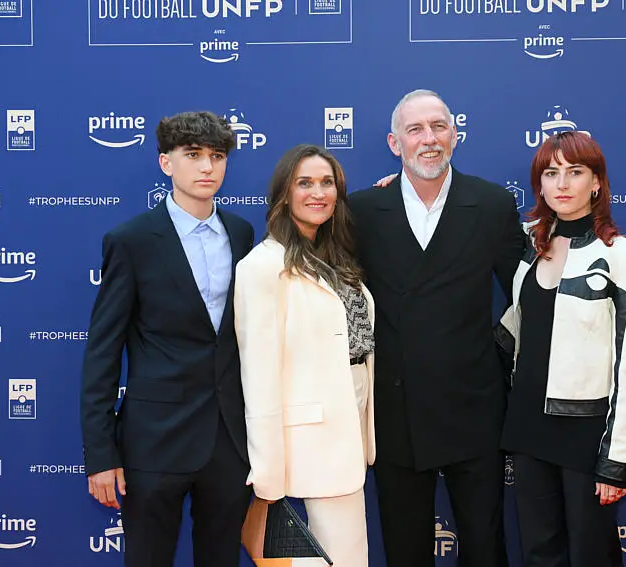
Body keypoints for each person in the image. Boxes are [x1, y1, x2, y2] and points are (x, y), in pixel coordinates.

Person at [349, 89, 525, 567]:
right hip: (396, 411)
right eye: (415, 129)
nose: (429, 139)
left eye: (438, 126)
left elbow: (528, 293)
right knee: (405, 549)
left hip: (474, 407)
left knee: (485, 547)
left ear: (455, 135)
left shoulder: (492, 204)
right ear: (395, 144)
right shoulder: (362, 210)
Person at [80, 111, 255, 567]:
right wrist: (101, 455)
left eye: (217, 156)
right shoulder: (131, 241)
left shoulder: (242, 233)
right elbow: (102, 352)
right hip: (154, 441)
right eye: (193, 155)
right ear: (166, 163)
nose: (207, 167)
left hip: (228, 441)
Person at [498, 131, 626, 567]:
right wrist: (401, 185)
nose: (562, 184)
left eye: (575, 172)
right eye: (551, 173)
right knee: (539, 554)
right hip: (528, 426)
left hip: (585, 432)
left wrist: (616, 460)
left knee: (591, 554)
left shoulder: (623, 257)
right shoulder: (529, 245)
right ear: (540, 184)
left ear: (597, 182)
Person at [234, 144, 375, 567]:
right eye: (305, 183)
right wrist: (267, 474)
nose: (318, 193)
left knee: (346, 555)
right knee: (341, 558)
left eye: (327, 183)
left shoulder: (335, 257)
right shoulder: (262, 266)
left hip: (350, 427)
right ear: (284, 193)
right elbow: (259, 374)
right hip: (309, 439)